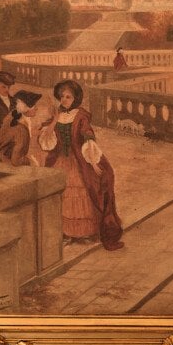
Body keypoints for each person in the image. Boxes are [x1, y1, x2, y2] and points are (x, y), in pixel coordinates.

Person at [39, 79, 123, 249]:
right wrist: (54, 119)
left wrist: (93, 163)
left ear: (75, 99)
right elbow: (47, 139)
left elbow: (88, 137)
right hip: (61, 161)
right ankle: (67, 233)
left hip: (79, 162)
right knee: (63, 198)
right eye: (62, 96)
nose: (64, 100)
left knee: (84, 193)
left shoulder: (81, 116)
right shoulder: (57, 115)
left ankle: (85, 233)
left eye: (68, 97)